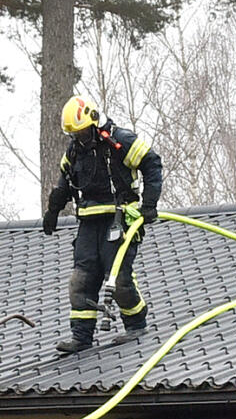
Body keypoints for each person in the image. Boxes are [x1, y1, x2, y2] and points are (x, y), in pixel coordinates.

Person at [41, 94, 164, 355]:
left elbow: (152, 163)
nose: (80, 138)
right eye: (74, 134)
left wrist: (149, 204)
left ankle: (136, 324)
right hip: (88, 222)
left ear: (94, 122)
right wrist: (52, 211)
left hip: (120, 217)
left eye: (83, 132)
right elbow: (64, 183)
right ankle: (81, 336)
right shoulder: (74, 151)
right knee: (81, 279)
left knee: (117, 277)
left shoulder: (120, 141)